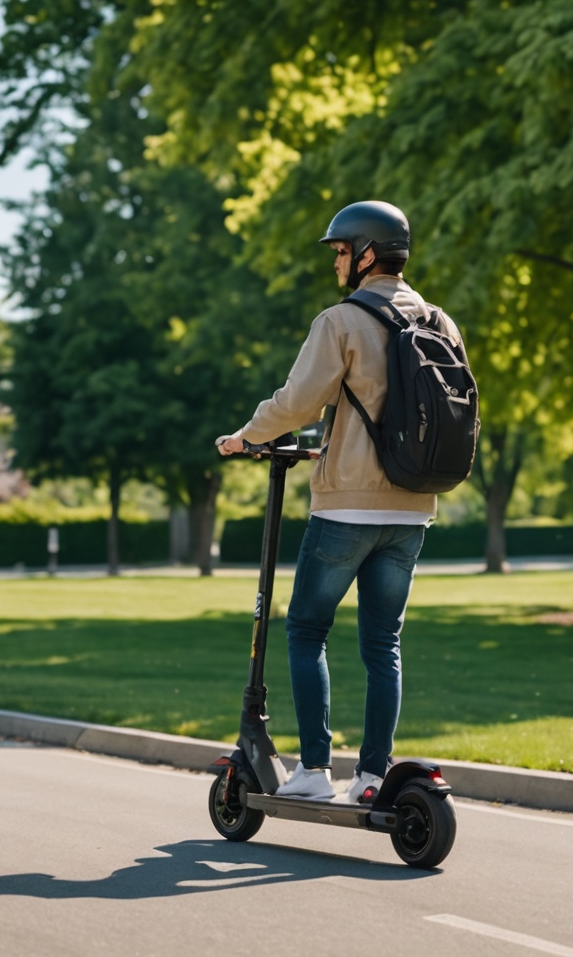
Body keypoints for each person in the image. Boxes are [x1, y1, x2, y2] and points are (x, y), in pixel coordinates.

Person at [214, 200, 463, 804]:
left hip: (347, 507)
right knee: (384, 643)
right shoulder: (440, 322)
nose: (337, 264)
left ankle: (315, 772)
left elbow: (299, 402)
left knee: (306, 629)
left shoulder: (340, 322)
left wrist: (245, 436)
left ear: (368, 254)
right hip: (411, 507)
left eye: (342, 251)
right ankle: (373, 778)